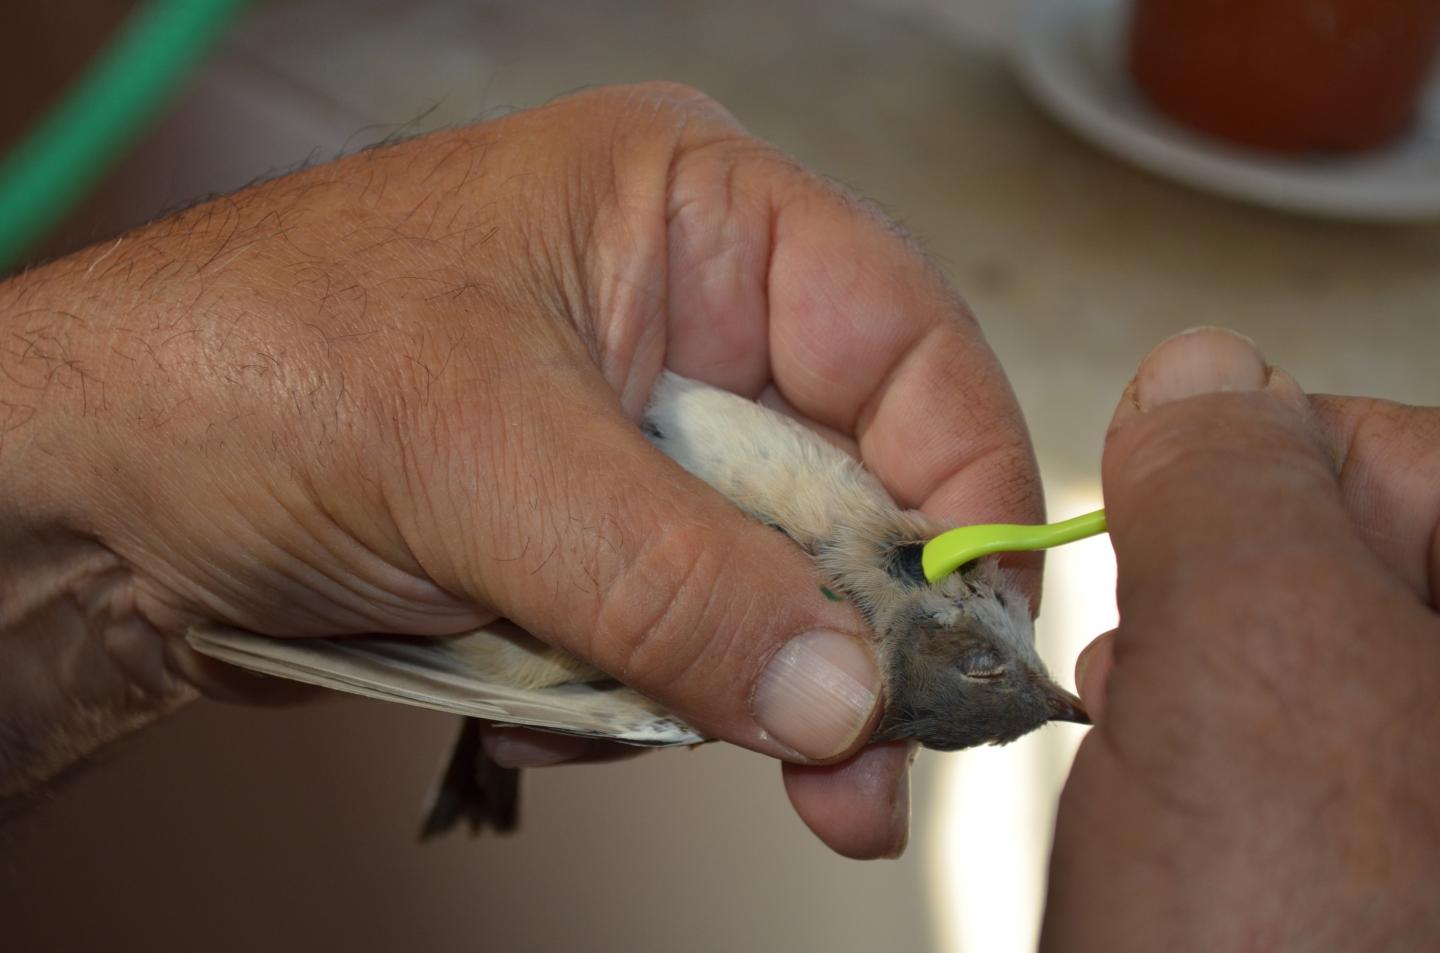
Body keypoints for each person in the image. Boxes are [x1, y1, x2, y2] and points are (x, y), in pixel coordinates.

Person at [1, 84, 1436, 947]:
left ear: (950, 639)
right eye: (1013, 656)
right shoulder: (869, 523)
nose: (1017, 641)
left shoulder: (803, 615)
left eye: (1002, 666)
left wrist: (141, 594)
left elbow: (558, 603)